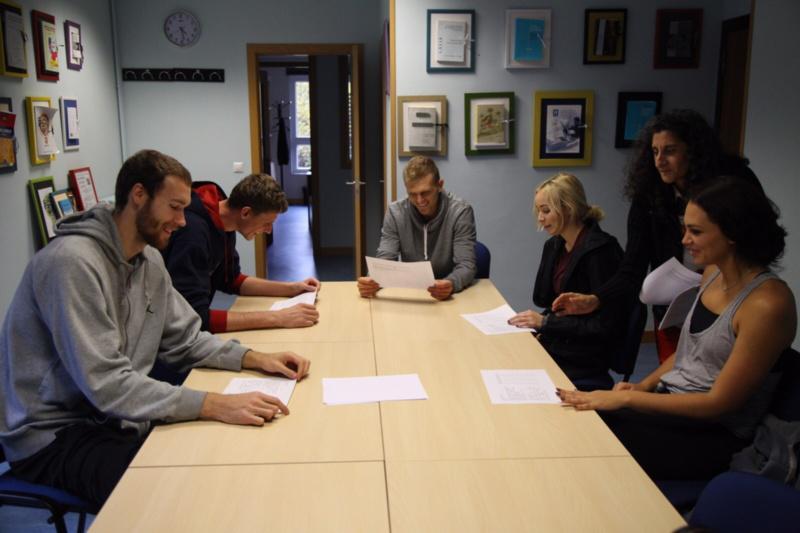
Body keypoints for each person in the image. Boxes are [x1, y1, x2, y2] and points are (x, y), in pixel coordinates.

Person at [0, 150, 311, 508]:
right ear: (139, 195)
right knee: (165, 494)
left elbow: (186, 339)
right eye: (175, 207)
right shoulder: (70, 264)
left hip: (112, 418)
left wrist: (254, 358)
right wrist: (212, 404)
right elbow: (107, 383)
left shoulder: (148, 260)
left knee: (213, 460)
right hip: (54, 434)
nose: (182, 221)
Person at [558, 177, 796, 482]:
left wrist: (628, 400)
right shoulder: (712, 274)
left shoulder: (768, 304)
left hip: (713, 434)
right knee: (577, 423)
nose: (684, 240)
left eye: (696, 231)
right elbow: (688, 353)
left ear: (733, 233)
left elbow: (718, 404)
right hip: (671, 405)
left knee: (589, 445)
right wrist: (642, 386)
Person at [552, 109, 760, 363]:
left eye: (669, 151)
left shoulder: (733, 184)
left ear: (694, 151)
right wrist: (597, 299)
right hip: (673, 309)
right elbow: (633, 267)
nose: (660, 161)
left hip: (732, 302)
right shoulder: (649, 195)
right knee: (677, 375)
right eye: (654, 151)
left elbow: (758, 242)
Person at [162, 174, 319, 334]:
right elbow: (194, 318)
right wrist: (277, 317)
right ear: (246, 213)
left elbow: (232, 280)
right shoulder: (192, 234)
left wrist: (292, 288)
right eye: (267, 223)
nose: (268, 230)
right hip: (170, 336)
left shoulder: (222, 221)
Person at [509, 173, 624, 390]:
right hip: (561, 340)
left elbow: (604, 325)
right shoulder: (555, 245)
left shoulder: (601, 251)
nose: (540, 218)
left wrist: (545, 324)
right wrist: (543, 325)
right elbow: (544, 299)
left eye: (546, 211)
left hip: (585, 354)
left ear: (569, 208)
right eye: (538, 211)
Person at [357, 156, 476, 301]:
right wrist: (372, 280)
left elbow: (466, 265)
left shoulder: (460, 212)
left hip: (449, 293)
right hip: (412, 293)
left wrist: (451, 283)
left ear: (440, 185)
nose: (420, 201)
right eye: (412, 194)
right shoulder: (396, 213)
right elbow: (386, 258)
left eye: (425, 192)